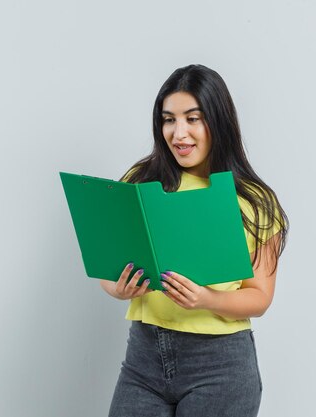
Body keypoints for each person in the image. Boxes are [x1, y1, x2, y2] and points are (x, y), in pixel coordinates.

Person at [99, 64, 289, 417]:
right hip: (143, 359)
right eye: (169, 119)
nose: (179, 132)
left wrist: (206, 298)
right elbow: (108, 271)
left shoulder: (253, 201)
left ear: (217, 121)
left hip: (220, 366)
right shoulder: (140, 182)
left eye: (193, 118)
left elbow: (259, 297)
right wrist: (118, 288)